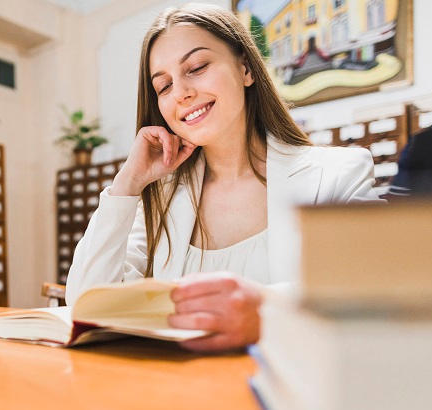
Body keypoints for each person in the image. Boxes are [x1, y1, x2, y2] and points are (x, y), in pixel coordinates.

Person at [65, 3, 383, 352]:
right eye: (164, 85)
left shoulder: (338, 174)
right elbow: (85, 305)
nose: (182, 93)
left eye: (197, 67)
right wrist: (127, 185)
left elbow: (376, 296)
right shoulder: (160, 198)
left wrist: (263, 311)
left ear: (246, 68)